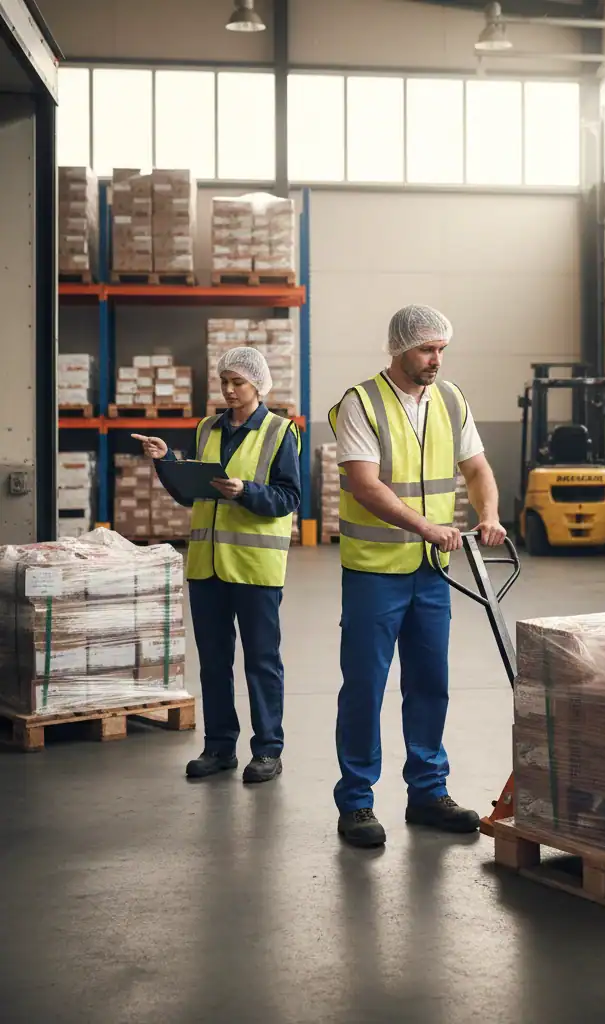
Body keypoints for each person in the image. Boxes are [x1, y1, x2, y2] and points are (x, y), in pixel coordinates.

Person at [327, 304, 506, 848]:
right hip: (375, 573)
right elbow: (365, 485)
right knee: (365, 686)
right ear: (399, 348)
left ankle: (428, 791)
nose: (436, 360)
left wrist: (490, 514)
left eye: (442, 350)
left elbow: (476, 469)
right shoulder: (361, 403)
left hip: (432, 574)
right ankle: (357, 801)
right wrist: (428, 527)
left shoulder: (451, 401)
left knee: (430, 683)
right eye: (427, 350)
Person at [132, 347, 301, 784]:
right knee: (213, 660)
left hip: (254, 566)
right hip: (206, 566)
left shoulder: (281, 432)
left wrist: (245, 491)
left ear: (258, 386)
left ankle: (267, 750)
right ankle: (219, 747)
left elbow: (289, 498)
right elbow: (192, 494)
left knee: (261, 660)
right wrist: (166, 460)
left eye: (237, 382)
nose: (228, 389)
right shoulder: (207, 427)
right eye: (224, 381)